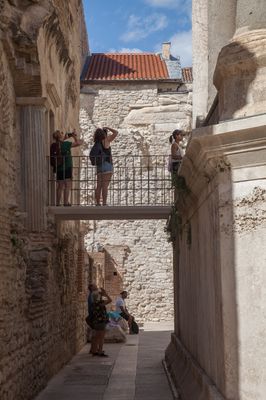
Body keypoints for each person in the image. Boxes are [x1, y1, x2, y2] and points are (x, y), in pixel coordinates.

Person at [50, 129, 83, 206]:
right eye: (61, 133)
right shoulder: (66, 144)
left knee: (60, 186)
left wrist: (65, 138)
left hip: (58, 168)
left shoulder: (54, 145)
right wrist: (74, 136)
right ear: (60, 136)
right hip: (67, 167)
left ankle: (57, 203)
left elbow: (60, 144)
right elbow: (79, 143)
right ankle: (65, 203)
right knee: (67, 185)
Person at [93, 126, 118, 206]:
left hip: (99, 166)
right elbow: (116, 132)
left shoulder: (96, 143)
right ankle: (104, 203)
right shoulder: (106, 140)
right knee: (105, 186)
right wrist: (108, 128)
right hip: (107, 165)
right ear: (104, 134)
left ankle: (97, 203)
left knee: (98, 186)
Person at [90, 287, 112, 357]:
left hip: (96, 321)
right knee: (101, 338)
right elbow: (110, 300)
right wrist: (105, 294)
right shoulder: (99, 303)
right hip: (101, 321)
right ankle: (100, 351)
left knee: (96, 337)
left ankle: (94, 351)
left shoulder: (93, 303)